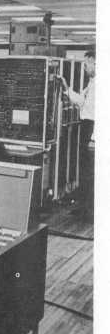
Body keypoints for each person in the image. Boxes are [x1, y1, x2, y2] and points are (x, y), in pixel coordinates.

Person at [60, 51, 95, 220]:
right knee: (85, 169)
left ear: (96, 63)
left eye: (87, 64)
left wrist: (93, 139)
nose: (85, 68)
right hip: (87, 126)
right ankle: (84, 207)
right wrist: (66, 88)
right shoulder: (92, 83)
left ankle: (89, 210)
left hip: (92, 128)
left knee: (89, 170)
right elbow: (82, 102)